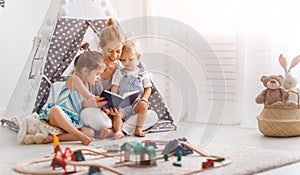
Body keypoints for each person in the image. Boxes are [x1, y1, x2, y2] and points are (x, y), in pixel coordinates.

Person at [80, 18, 158, 139]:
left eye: (118, 52)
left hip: (118, 113)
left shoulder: (122, 70)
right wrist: (91, 103)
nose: (114, 56)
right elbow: (81, 98)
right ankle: (113, 128)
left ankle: (118, 130)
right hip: (98, 112)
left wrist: (117, 109)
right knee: (90, 115)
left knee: (152, 115)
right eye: (110, 51)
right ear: (101, 46)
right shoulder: (92, 64)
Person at [39, 43, 106, 145]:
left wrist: (97, 104)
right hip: (58, 117)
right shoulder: (74, 79)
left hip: (71, 120)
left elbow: (82, 103)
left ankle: (55, 137)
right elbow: (88, 95)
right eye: (97, 74)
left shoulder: (86, 84)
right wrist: (96, 98)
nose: (99, 78)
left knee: (90, 132)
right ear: (85, 70)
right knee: (55, 109)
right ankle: (80, 137)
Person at [109, 39, 153, 138]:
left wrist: (144, 99)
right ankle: (119, 131)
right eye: (123, 60)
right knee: (117, 114)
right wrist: (114, 102)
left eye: (130, 59)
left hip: (136, 103)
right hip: (123, 104)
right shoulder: (120, 73)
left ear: (138, 57)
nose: (127, 63)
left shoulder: (143, 74)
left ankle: (138, 128)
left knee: (145, 107)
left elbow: (148, 89)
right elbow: (114, 87)